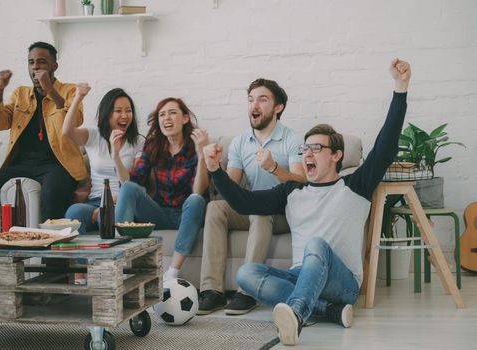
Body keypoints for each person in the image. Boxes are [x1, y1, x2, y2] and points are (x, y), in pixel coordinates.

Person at [203, 58, 411, 345]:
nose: (308, 154)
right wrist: (214, 170)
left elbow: (386, 146)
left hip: (344, 283)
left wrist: (400, 88)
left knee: (316, 244)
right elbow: (243, 203)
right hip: (301, 277)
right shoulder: (291, 192)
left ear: (336, 155)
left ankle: (298, 314)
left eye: (317, 148)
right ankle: (328, 311)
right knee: (246, 273)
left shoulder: (354, 185)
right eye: (306, 149)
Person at [197, 79, 306, 316]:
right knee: (215, 208)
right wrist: (213, 167)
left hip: (282, 212)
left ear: (278, 107)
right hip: (252, 207)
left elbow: (301, 182)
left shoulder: (292, 139)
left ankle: (247, 291)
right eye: (250, 99)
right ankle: (212, 291)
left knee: (259, 210)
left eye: (262, 99)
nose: (254, 105)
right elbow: (231, 186)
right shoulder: (239, 142)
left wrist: (274, 168)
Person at [0, 42, 87, 232]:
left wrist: (50, 90)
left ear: (54, 66)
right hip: (22, 165)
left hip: (59, 165)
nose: (35, 66)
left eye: (41, 62)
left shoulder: (69, 90)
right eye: (31, 62)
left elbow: (75, 119)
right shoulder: (20, 94)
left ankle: (54, 260)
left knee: (51, 195)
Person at [115, 97, 209, 281]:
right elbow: (133, 181)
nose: (167, 118)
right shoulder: (153, 146)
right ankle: (120, 261)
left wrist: (202, 155)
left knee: (196, 199)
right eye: (162, 114)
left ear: (184, 118)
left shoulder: (195, 145)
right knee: (127, 188)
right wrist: (116, 156)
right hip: (160, 213)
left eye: (173, 113)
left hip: (188, 214)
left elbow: (199, 190)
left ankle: (172, 273)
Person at [63, 83, 144, 234]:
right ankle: (84, 258)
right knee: (74, 213)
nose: (125, 115)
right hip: (95, 201)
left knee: (106, 219)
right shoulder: (94, 135)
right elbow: (67, 131)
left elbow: (132, 186)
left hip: (121, 203)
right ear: (107, 114)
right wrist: (78, 98)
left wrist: (106, 207)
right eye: (118, 111)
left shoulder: (138, 142)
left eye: (128, 111)